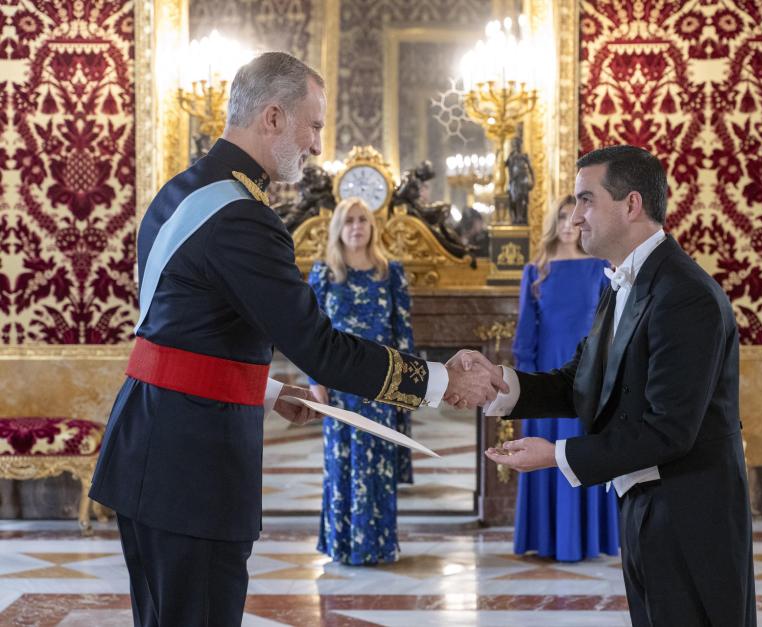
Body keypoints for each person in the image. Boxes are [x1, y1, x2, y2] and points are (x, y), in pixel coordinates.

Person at [89, 52, 503, 627]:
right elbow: (322, 350)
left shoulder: (179, 192)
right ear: (275, 117)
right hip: (193, 469)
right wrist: (439, 379)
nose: (315, 144)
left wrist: (262, 390)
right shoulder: (241, 216)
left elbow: (185, 337)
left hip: (155, 448)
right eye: (313, 125)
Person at [484, 145, 756, 626]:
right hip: (644, 504)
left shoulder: (685, 295)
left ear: (631, 205)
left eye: (586, 200)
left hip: (691, 518)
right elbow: (582, 383)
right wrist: (499, 385)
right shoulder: (620, 282)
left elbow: (670, 431)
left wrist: (557, 455)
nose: (576, 218)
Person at [308, 197, 415, 565]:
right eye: (349, 220)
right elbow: (309, 334)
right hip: (338, 386)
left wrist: (409, 387)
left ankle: (378, 544)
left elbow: (403, 333)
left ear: (372, 227)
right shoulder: (324, 273)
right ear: (338, 228)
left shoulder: (390, 272)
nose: (356, 226)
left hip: (381, 383)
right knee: (342, 465)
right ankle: (343, 545)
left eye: (363, 220)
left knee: (377, 464)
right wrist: (314, 380)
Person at [512, 195, 619, 562]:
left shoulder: (598, 268)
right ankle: (546, 538)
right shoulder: (536, 271)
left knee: (581, 450)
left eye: (572, 217)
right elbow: (526, 333)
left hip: (590, 374)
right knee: (543, 449)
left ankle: (585, 539)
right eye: (559, 217)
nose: (566, 224)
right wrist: (524, 385)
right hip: (545, 374)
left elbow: (610, 327)